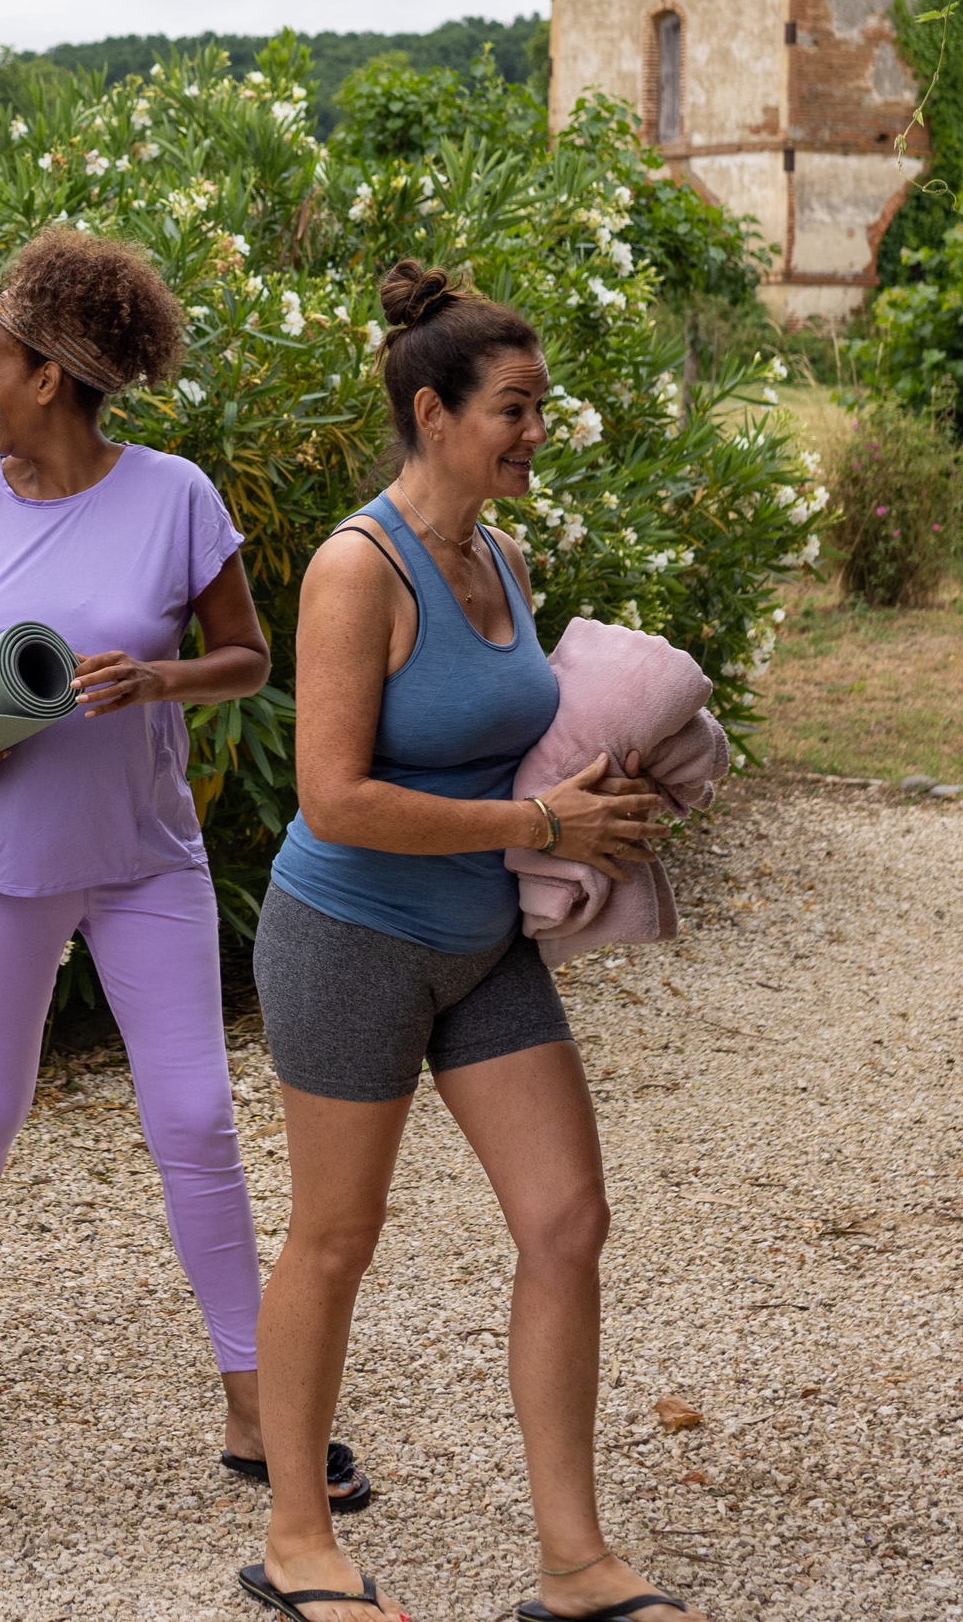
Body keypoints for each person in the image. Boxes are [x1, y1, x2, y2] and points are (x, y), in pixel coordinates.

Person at [238, 262, 699, 1622]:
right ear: (432, 412)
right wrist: (542, 823)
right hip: (350, 938)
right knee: (334, 1236)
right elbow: (335, 797)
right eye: (513, 408)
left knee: (567, 1221)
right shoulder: (352, 568)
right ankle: (295, 1539)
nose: (535, 432)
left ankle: (573, 1565)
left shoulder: (502, 555)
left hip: (481, 939)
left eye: (542, 406)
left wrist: (611, 796)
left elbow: (519, 743)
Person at [0, 229, 327, 1494]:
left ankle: (253, 1404)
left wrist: (161, 675)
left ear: (48, 374)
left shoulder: (175, 495)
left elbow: (249, 656)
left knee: (198, 1122)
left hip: (144, 860)